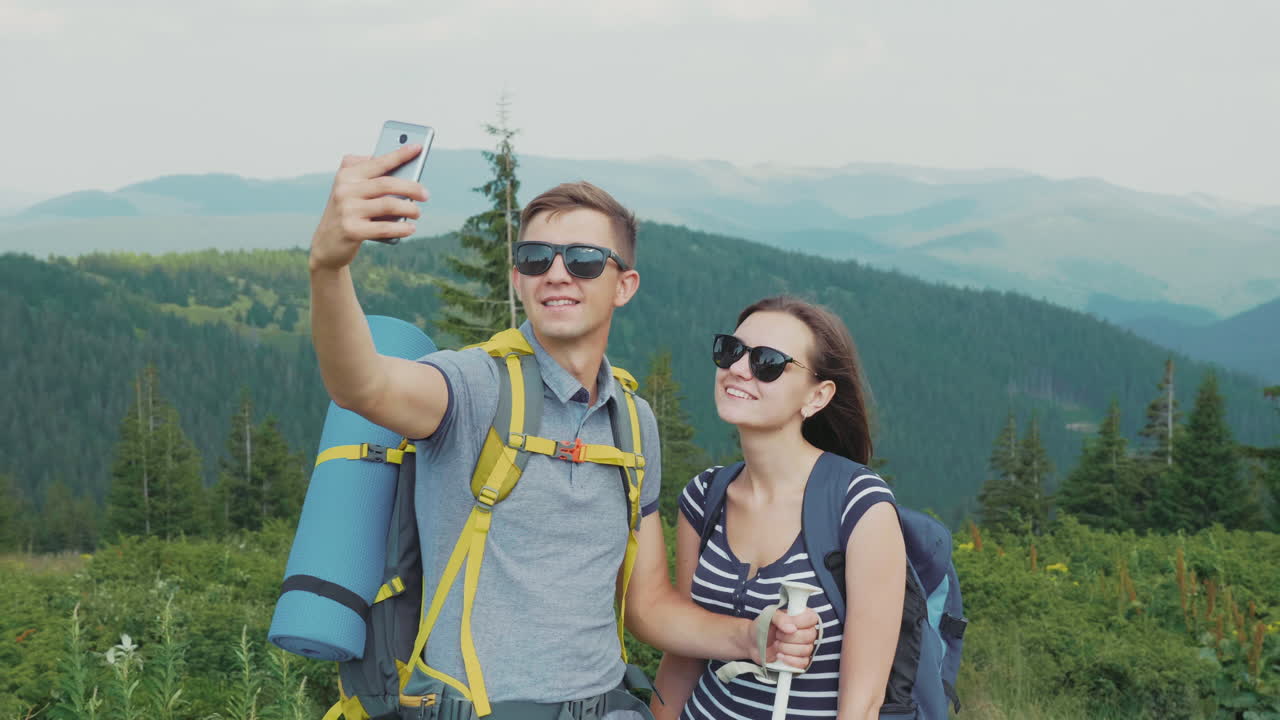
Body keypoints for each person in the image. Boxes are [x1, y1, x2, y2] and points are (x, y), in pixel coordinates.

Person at [307, 144, 818, 719]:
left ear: (623, 285)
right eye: (535, 258)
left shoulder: (631, 421)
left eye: (583, 260)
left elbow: (645, 604)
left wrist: (750, 638)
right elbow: (364, 386)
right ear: (518, 279)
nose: (556, 273)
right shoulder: (473, 387)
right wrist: (329, 267)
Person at [651, 296, 908, 720]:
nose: (738, 369)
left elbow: (862, 704)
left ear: (818, 396)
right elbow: (684, 653)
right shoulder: (704, 497)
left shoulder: (859, 506)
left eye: (768, 362)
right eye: (731, 351)